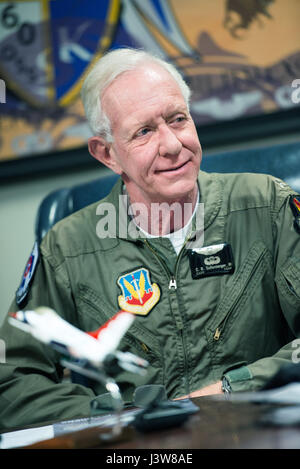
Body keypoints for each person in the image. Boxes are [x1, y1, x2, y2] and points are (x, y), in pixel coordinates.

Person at [0, 47, 300, 431]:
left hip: (257, 434)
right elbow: (11, 382)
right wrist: (114, 414)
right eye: (144, 132)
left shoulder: (267, 205)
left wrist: (229, 389)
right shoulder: (66, 248)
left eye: (178, 119)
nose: (172, 145)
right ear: (108, 154)